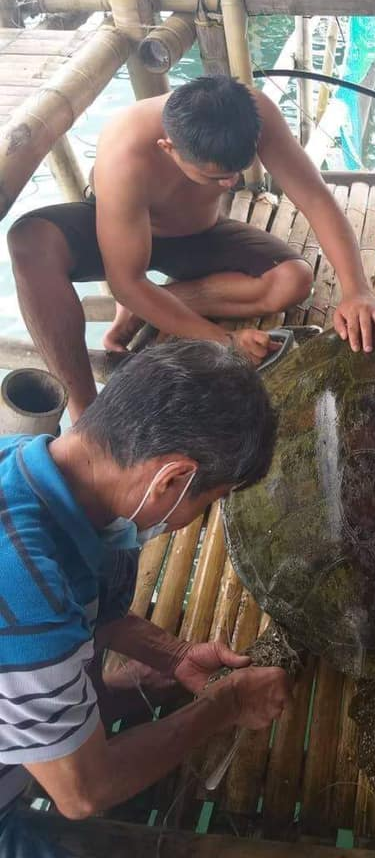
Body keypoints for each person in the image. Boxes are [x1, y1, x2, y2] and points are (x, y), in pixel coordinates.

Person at [0, 339, 290, 857]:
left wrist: (175, 656)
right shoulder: (26, 588)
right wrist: (228, 704)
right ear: (173, 477)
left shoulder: (23, 463)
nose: (198, 516)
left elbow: (84, 605)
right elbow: (83, 792)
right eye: (210, 499)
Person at [9, 75, 375, 422]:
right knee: (28, 242)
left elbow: (315, 198)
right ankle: (83, 407)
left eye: (236, 172)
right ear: (168, 148)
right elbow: (125, 282)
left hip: (197, 235)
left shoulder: (253, 112)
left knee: (293, 280)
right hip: (121, 233)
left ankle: (157, 303)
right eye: (214, 176)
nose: (229, 184)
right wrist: (224, 341)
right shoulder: (125, 153)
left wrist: (356, 290)